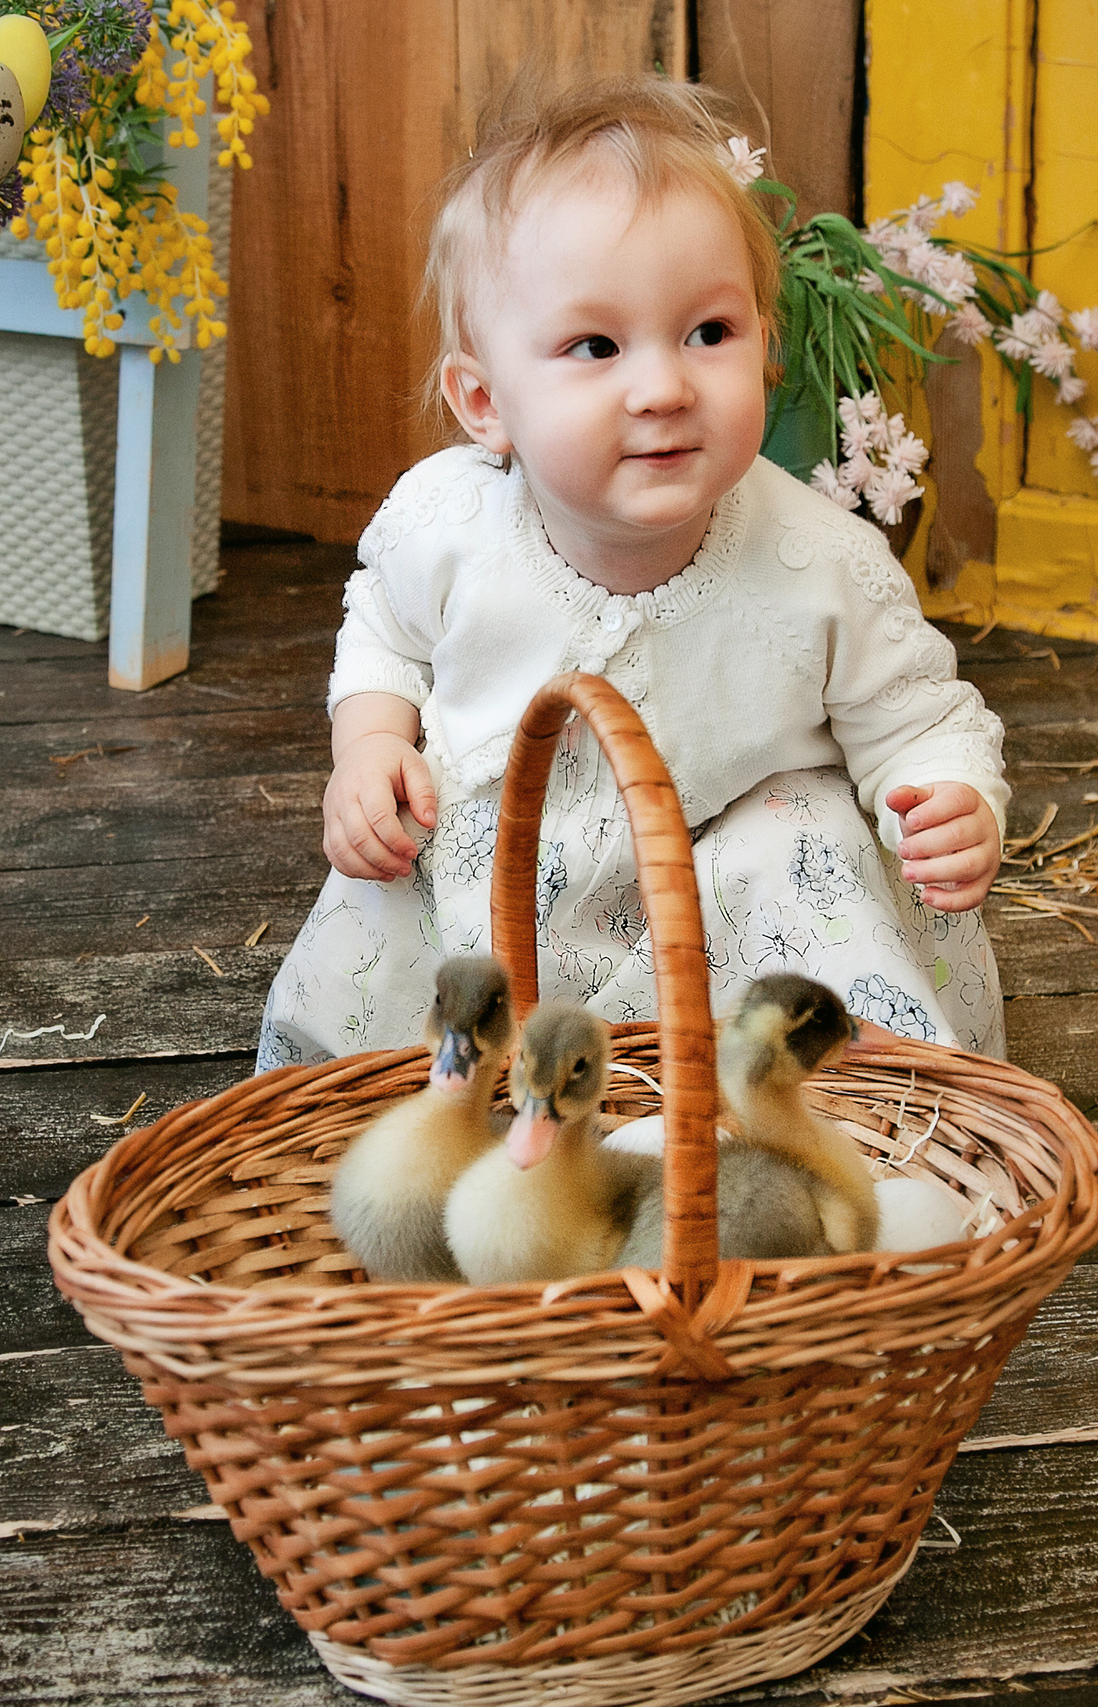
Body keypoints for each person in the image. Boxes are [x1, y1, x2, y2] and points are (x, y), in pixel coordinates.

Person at [257, 76, 1008, 1071]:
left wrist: (945, 793)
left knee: (802, 841)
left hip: (729, 885)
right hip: (500, 857)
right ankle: (393, 1123)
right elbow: (387, 637)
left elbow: (914, 712)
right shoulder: (445, 523)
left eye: (710, 333)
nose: (662, 387)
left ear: (762, 346)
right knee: (397, 869)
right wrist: (368, 748)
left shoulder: (818, 561)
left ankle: (850, 1124)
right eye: (596, 346)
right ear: (486, 403)